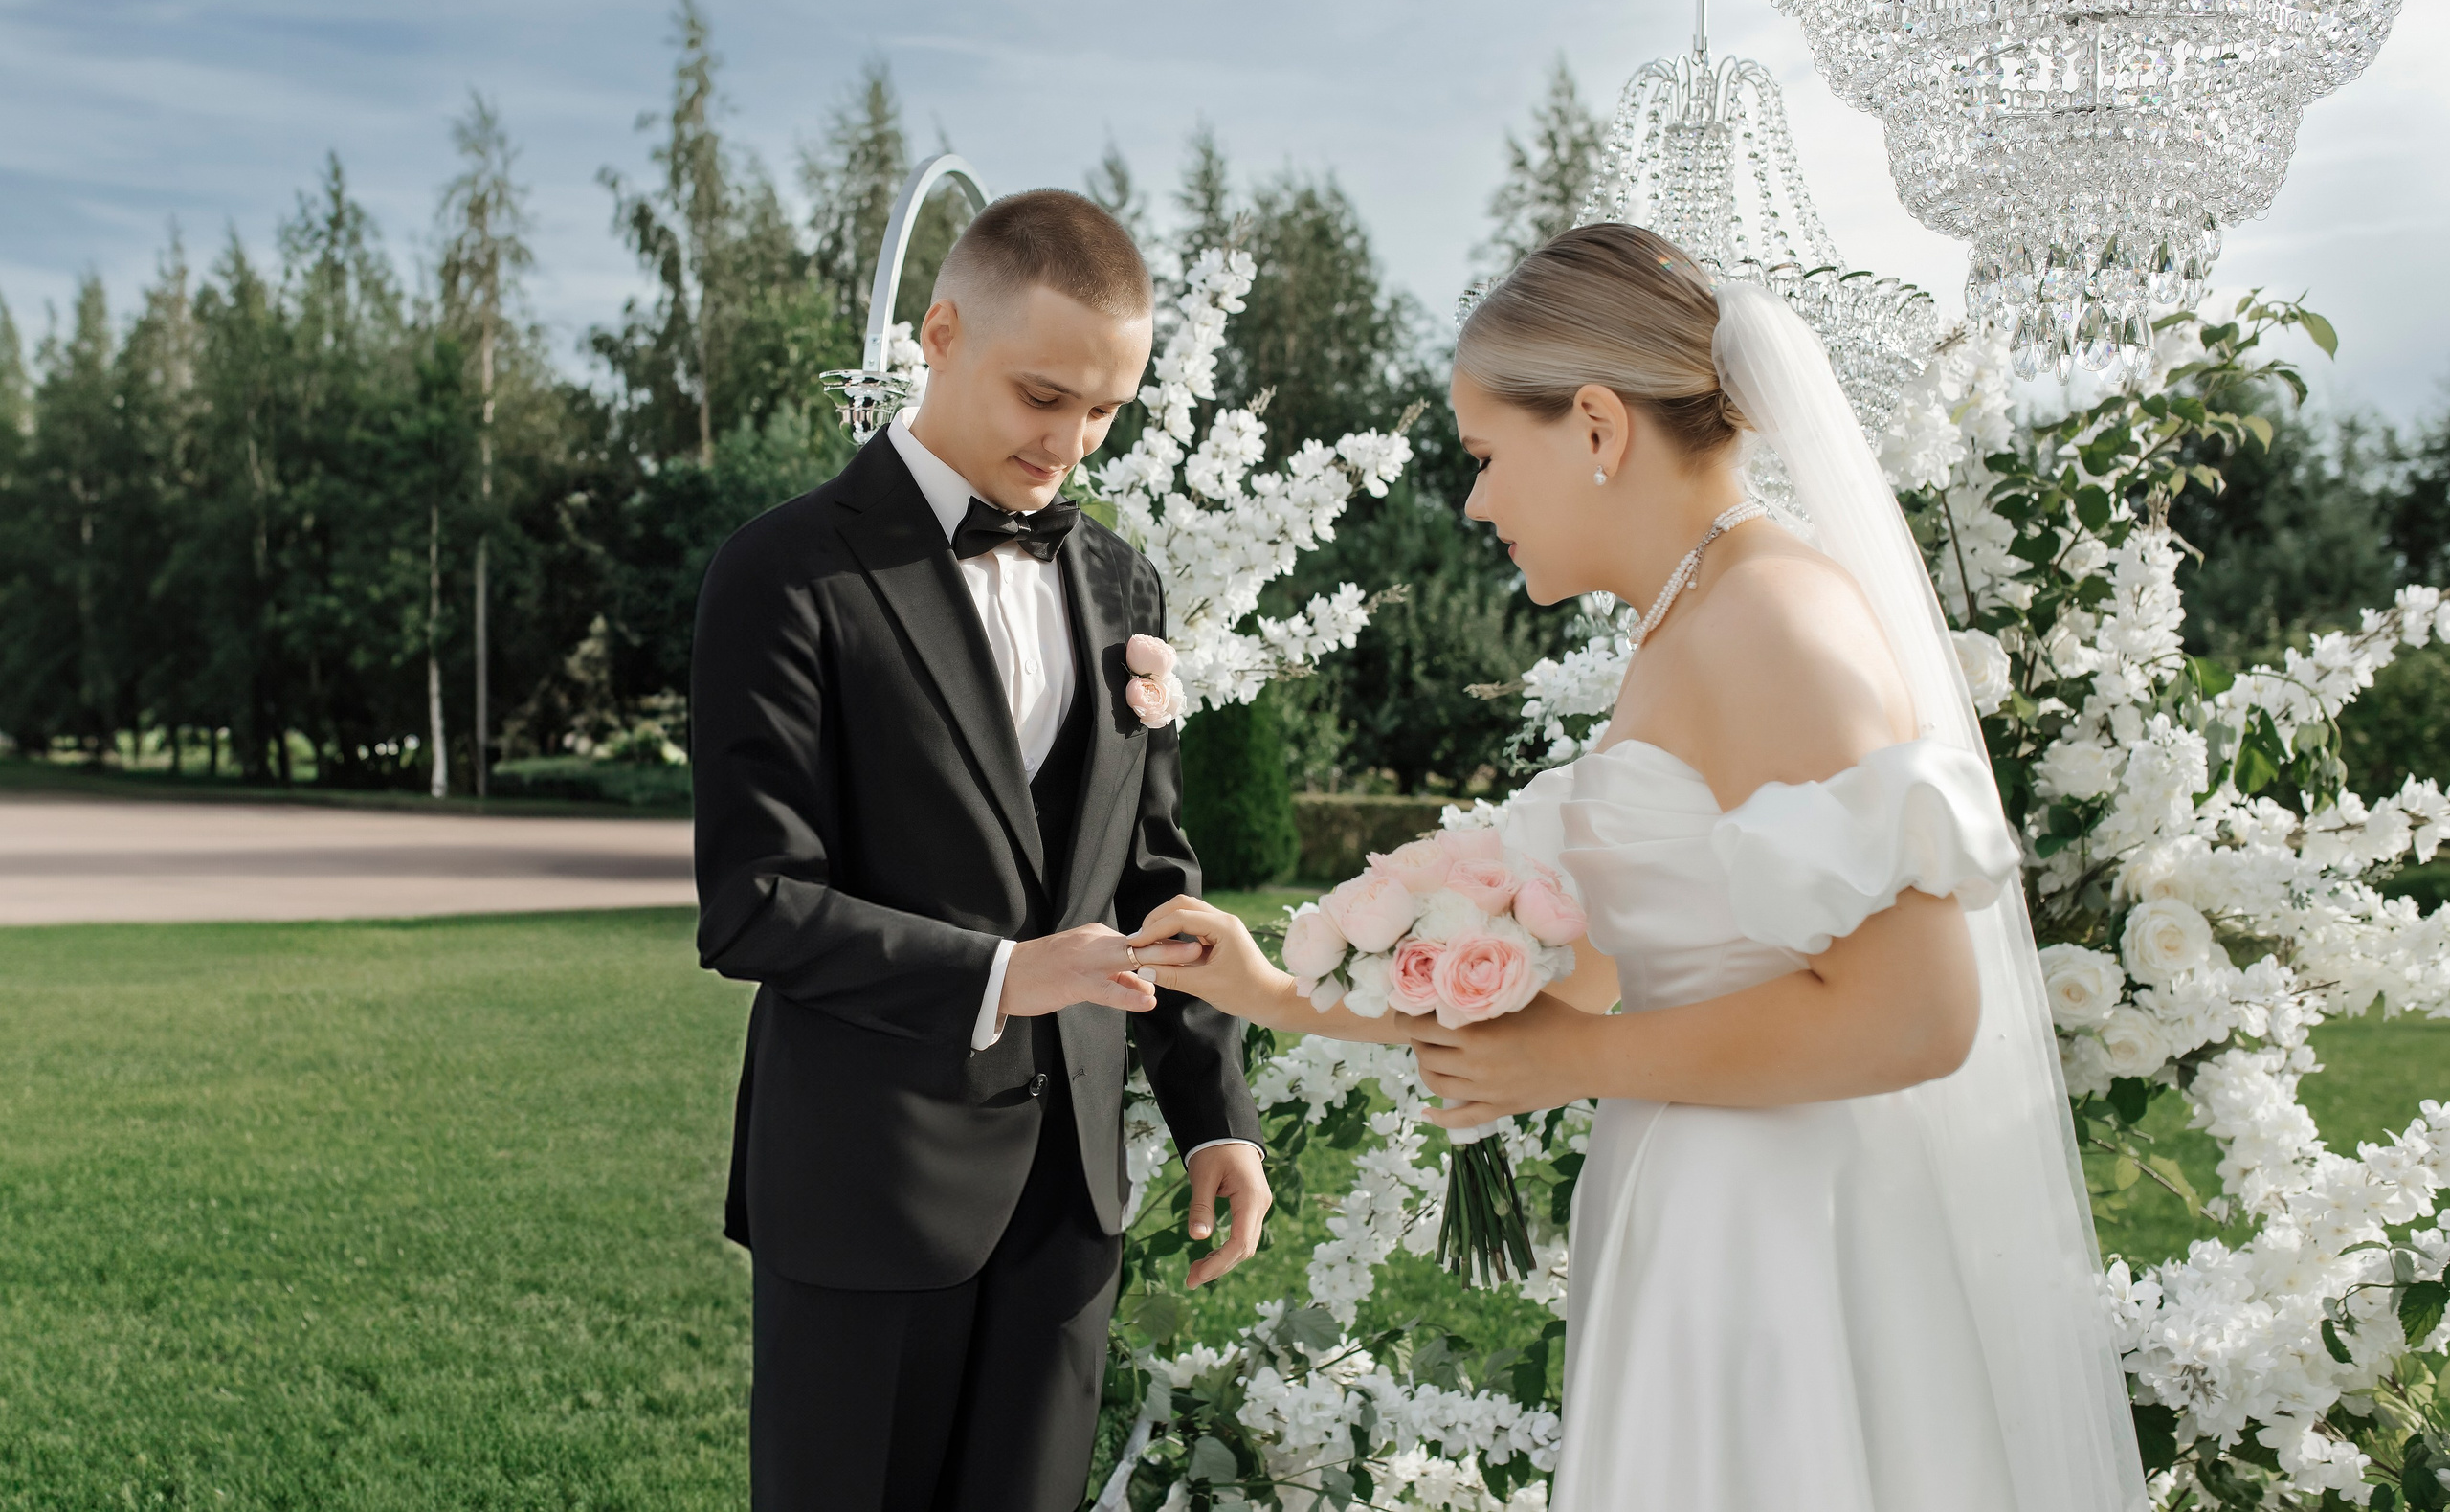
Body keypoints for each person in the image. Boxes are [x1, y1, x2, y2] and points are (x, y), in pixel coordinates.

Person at [1127, 226, 2149, 1510]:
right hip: (1695, 1212)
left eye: (1490, 455)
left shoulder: (1772, 619)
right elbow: (1585, 965)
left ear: (1598, 428)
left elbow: (1919, 1013)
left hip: (1784, 1241)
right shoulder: (1690, 620)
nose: (1477, 501)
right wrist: (1273, 987)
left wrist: (1575, 1063)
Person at [689, 188, 1272, 1512]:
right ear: (939, 333)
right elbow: (754, 903)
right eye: (1041, 395)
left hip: (1068, 1205)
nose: (1070, 441)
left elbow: (1153, 875)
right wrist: (1012, 975)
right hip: (865, 1185)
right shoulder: (781, 573)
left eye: (1106, 410)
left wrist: (1208, 1113)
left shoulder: (1124, 581)